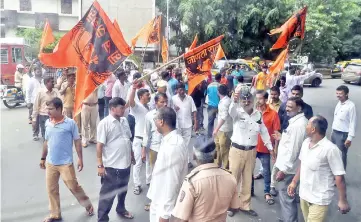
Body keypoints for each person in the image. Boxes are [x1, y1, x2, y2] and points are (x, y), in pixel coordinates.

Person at [39, 97, 94, 222]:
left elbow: (77, 141)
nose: (48, 111)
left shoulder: (70, 123)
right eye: (47, 108)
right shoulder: (48, 123)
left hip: (66, 163)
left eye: (51, 109)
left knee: (74, 187)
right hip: (50, 163)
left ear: (59, 109)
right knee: (51, 190)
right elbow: (46, 142)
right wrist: (42, 158)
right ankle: (55, 214)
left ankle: (88, 205)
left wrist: (80, 159)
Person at [288, 115, 351, 222]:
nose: (305, 126)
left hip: (319, 200)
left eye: (307, 124)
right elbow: (302, 164)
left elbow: (339, 176)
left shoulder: (330, 149)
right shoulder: (306, 143)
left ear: (313, 129)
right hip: (304, 195)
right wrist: (294, 182)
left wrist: (342, 200)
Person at [227, 86, 273, 217]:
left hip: (251, 151)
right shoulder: (237, 112)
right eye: (244, 101)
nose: (246, 103)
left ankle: (245, 205)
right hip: (236, 150)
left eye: (249, 101)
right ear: (241, 101)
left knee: (247, 179)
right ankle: (231, 205)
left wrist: (270, 147)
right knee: (233, 179)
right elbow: (231, 111)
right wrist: (234, 101)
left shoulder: (258, 115)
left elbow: (263, 131)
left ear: (253, 101)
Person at [172, 138, 238, 221]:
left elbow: (181, 217)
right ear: (215, 155)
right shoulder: (230, 177)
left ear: (194, 156)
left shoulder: (191, 183)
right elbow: (234, 206)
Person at [96, 97, 135, 221]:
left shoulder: (124, 121)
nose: (124, 110)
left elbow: (128, 139)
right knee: (107, 195)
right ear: (112, 109)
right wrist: (100, 165)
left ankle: (121, 208)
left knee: (123, 189)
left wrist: (132, 155)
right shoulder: (104, 123)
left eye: (124, 107)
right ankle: (102, 219)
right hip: (112, 166)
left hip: (126, 164)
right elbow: (99, 145)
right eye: (121, 108)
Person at [147, 107, 188, 222]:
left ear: (161, 122)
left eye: (155, 120)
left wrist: (165, 215)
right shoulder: (168, 140)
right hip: (159, 198)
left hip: (164, 205)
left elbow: (173, 181)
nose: (154, 123)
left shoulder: (174, 145)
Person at [273, 97, 308, 222]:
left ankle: (290, 220)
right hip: (288, 167)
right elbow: (291, 143)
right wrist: (282, 137)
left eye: (290, 107)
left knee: (287, 198)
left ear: (299, 108)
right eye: (286, 106)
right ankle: (288, 218)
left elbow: (294, 150)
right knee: (286, 197)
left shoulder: (298, 126)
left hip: (289, 170)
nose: (287, 109)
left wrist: (283, 170)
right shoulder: (295, 122)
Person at [142, 92, 168, 211]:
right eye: (162, 102)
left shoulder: (169, 114)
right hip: (154, 149)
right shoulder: (149, 116)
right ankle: (154, 201)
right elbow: (146, 133)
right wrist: (143, 149)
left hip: (167, 148)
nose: (164, 104)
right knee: (155, 175)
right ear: (156, 102)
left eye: (165, 101)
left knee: (167, 174)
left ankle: (166, 200)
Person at [252, 91, 279, 205]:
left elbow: (276, 133)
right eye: (256, 98)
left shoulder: (273, 114)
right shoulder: (253, 113)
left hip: (265, 149)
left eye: (260, 99)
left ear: (266, 100)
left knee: (266, 171)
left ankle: (267, 192)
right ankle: (250, 190)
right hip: (252, 147)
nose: (258, 101)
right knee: (249, 170)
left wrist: (275, 149)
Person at [129, 81, 151, 195]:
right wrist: (133, 88)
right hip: (139, 139)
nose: (149, 96)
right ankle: (137, 185)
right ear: (141, 97)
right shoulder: (137, 107)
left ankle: (149, 180)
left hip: (149, 140)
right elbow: (131, 101)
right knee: (138, 163)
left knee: (149, 162)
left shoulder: (150, 107)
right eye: (147, 95)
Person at [331, 85, 357, 170]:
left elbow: (353, 122)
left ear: (346, 94)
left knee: (341, 156)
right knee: (333, 155)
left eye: (340, 94)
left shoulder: (351, 106)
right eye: (337, 93)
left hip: (343, 135)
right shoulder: (339, 103)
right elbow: (336, 119)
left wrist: (349, 138)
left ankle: (340, 177)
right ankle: (334, 175)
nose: (338, 95)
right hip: (334, 133)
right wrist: (332, 132)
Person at [172, 83, 197, 168]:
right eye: (180, 90)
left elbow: (194, 110)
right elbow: (169, 110)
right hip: (177, 125)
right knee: (179, 143)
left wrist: (195, 122)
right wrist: (173, 108)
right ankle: (179, 161)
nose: (182, 92)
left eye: (183, 90)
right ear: (177, 91)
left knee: (186, 144)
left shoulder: (189, 98)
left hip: (188, 124)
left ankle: (188, 161)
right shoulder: (173, 99)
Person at [32, 76, 59, 140]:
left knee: (53, 134)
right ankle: (47, 148)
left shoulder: (55, 92)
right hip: (43, 116)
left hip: (53, 116)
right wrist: (34, 119)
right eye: (52, 82)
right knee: (45, 135)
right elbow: (36, 106)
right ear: (46, 83)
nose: (53, 83)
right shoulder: (40, 92)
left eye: (53, 81)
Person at [212, 84, 232, 169]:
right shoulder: (225, 100)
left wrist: (216, 129)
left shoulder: (225, 102)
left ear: (218, 92)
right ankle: (217, 164)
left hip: (224, 129)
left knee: (224, 149)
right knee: (218, 147)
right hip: (222, 128)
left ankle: (226, 167)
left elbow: (224, 117)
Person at [206, 73, 221, 138]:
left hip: (210, 106)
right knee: (220, 121)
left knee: (210, 122)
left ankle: (209, 136)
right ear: (220, 79)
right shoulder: (220, 86)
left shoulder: (209, 85)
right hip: (218, 106)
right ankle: (219, 135)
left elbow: (207, 94)